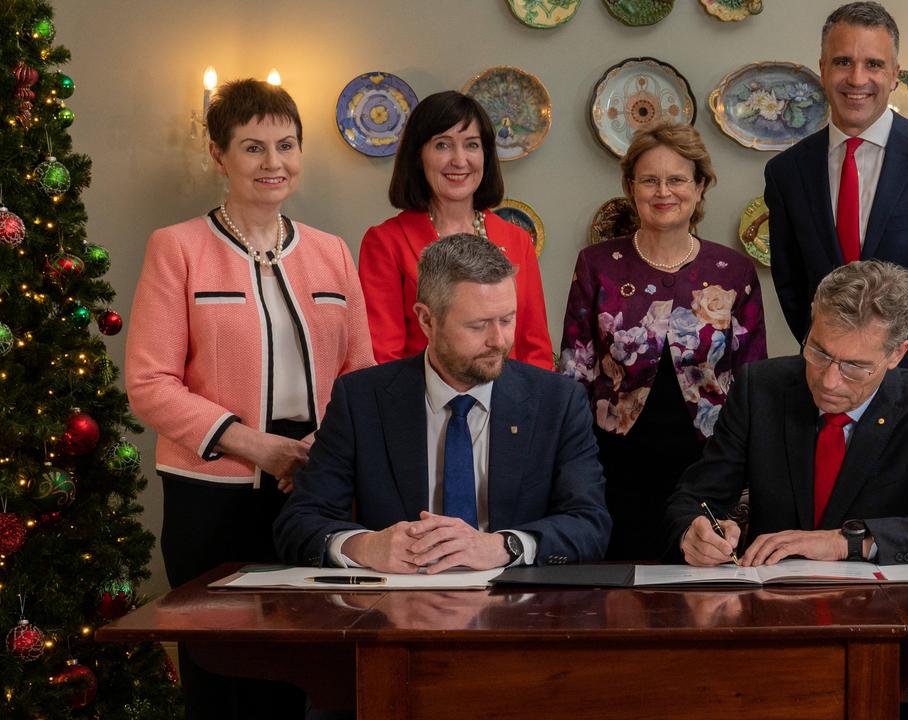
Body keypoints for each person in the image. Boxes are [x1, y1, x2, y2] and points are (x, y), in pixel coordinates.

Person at [125, 79, 374, 720]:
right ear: (219, 155)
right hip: (211, 492)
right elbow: (150, 383)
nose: (274, 163)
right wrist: (255, 444)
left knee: (307, 671)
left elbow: (361, 372)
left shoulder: (331, 252)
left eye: (286, 145)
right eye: (253, 147)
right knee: (221, 670)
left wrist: (326, 448)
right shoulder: (176, 248)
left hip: (314, 489)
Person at [665, 260, 908, 720]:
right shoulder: (761, 388)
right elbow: (695, 497)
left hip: (893, 648)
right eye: (819, 353)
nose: (828, 380)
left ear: (896, 354)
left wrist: (847, 542)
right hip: (773, 637)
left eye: (856, 367)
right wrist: (693, 531)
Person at [276, 234, 610, 572]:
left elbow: (590, 524)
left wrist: (505, 546)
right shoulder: (361, 399)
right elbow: (298, 523)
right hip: (395, 607)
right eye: (478, 325)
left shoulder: (557, 401)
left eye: (507, 319)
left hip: (518, 609)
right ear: (427, 320)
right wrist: (363, 546)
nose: (498, 340)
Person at [559, 122, 766, 561]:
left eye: (676, 179)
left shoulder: (734, 271)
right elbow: (575, 370)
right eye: (649, 180)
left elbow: (752, 378)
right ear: (631, 187)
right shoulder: (597, 264)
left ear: (700, 186)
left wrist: (747, 474)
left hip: (708, 463)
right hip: (614, 461)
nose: (663, 192)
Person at [764, 1, 908, 388]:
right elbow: (792, 285)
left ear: (894, 75)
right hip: (828, 383)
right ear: (822, 70)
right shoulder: (787, 172)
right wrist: (829, 353)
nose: (857, 78)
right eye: (842, 62)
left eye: (873, 64)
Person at [359, 90, 553, 368]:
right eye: (442, 145)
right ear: (418, 156)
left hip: (509, 404)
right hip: (420, 405)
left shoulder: (518, 240)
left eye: (472, 145)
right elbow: (384, 357)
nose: (460, 160)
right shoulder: (386, 243)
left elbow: (536, 350)